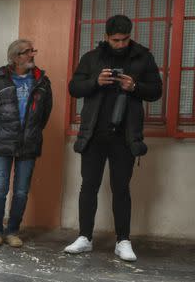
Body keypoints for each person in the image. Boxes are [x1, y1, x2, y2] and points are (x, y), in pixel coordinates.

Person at [65, 14, 163, 262]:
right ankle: (84, 237)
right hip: (93, 134)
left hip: (125, 137)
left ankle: (123, 241)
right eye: (116, 40)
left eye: (125, 39)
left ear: (130, 35)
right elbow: (74, 88)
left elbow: (156, 91)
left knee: (121, 189)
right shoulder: (92, 58)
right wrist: (95, 82)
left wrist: (135, 87)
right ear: (107, 37)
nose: (121, 44)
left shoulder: (143, 57)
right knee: (89, 186)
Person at [0, 38, 53, 247]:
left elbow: (45, 113)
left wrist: (33, 132)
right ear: (15, 57)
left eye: (32, 51)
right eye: (27, 51)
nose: (32, 54)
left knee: (21, 191)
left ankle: (12, 231)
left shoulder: (42, 82)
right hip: (2, 143)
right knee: (0, 188)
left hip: (29, 144)